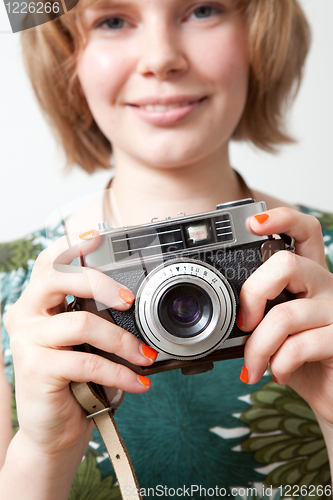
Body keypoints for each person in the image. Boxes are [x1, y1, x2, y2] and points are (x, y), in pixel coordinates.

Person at [1, 0, 333, 498]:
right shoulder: (16, 292)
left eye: (202, 10)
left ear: (259, 33)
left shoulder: (321, 269)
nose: (161, 58)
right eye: (112, 20)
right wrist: (44, 451)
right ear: (67, 58)